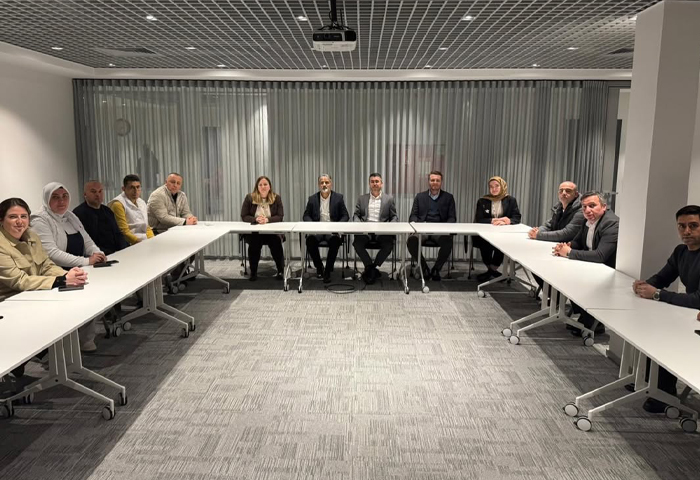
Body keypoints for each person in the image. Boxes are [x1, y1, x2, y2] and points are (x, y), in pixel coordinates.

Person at [0, 197, 87, 377]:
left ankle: (47, 356)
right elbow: (19, 281)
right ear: (1, 220)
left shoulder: (31, 236)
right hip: (10, 302)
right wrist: (61, 281)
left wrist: (68, 274)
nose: (19, 221)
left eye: (24, 216)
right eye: (13, 217)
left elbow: (46, 265)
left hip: (34, 294)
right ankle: (34, 354)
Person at [631, 205, 700, 413]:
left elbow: (698, 300)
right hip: (691, 315)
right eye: (681, 226)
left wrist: (658, 294)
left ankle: (664, 393)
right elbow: (662, 277)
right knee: (653, 328)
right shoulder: (681, 252)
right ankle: (653, 386)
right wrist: (644, 285)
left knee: (666, 335)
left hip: (696, 317)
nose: (686, 231)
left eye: (693, 226)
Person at [30, 182, 105, 352]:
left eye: (65, 196)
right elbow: (52, 253)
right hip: (55, 273)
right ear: (46, 199)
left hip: (79, 268)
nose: (61, 201)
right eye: (55, 197)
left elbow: (87, 240)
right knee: (88, 297)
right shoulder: (39, 220)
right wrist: (86, 261)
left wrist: (97, 253)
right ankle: (68, 344)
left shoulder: (70, 216)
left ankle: (85, 337)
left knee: (101, 293)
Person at [553, 191, 619, 336]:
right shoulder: (587, 220)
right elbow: (578, 242)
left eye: (592, 206)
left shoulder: (611, 224)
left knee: (575, 280)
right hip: (591, 266)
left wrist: (569, 253)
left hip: (607, 271)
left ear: (604, 207)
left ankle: (593, 321)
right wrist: (567, 246)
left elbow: (600, 256)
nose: (587, 210)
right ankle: (585, 316)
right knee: (562, 275)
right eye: (584, 207)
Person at [527, 181, 584, 290]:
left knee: (538, 263)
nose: (564, 193)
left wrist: (538, 235)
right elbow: (549, 224)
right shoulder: (559, 206)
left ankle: (553, 295)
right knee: (533, 262)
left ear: (576, 194)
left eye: (568, 191)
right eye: (561, 191)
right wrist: (537, 231)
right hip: (558, 246)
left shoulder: (581, 210)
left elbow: (567, 233)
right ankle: (550, 294)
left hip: (572, 248)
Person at [407, 171, 456, 281]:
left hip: (440, 231)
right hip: (422, 230)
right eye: (432, 180)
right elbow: (413, 215)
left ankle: (436, 269)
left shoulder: (448, 197)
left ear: (441, 182)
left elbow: (452, 217)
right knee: (411, 241)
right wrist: (415, 226)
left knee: (448, 242)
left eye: (437, 180)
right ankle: (424, 267)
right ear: (429, 181)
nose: (435, 182)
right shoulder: (420, 197)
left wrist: (446, 228)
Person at [302, 174, 349, 283]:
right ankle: (319, 267)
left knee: (335, 241)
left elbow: (345, 215)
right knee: (310, 241)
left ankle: (328, 270)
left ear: (331, 184)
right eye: (322, 182)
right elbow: (306, 216)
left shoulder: (338, 198)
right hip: (317, 231)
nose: (324, 185)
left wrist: (337, 226)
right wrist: (313, 225)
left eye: (326, 182)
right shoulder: (312, 199)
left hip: (332, 231)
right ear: (318, 185)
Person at [473, 176, 522, 282]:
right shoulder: (483, 200)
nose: (494, 189)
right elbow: (479, 218)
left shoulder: (510, 200)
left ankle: (492, 270)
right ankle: (492, 271)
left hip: (503, 233)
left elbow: (517, 217)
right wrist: (492, 220)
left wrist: (508, 220)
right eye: (491, 187)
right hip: (486, 232)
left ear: (502, 186)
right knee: (484, 244)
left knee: (502, 245)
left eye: (496, 186)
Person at [353, 173, 398, 284]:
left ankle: (373, 267)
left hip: (382, 231)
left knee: (388, 245)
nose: (375, 184)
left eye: (377, 181)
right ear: (369, 184)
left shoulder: (389, 199)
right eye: (372, 182)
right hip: (366, 230)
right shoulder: (362, 198)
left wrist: (390, 226)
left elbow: (394, 216)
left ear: (381, 183)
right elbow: (356, 215)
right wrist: (359, 224)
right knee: (357, 243)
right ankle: (370, 266)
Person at [241, 176, 285, 281]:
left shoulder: (276, 198)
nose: (263, 187)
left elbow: (280, 216)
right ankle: (253, 272)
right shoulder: (249, 198)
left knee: (276, 243)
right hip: (255, 232)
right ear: (257, 187)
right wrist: (255, 219)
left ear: (269, 186)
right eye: (260, 185)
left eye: (265, 184)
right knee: (254, 244)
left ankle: (280, 270)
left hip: (272, 232)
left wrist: (267, 220)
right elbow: (244, 215)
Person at [73, 180, 129, 255]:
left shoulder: (107, 211)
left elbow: (118, 234)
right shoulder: (78, 214)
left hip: (116, 252)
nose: (97, 195)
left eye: (100, 191)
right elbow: (86, 243)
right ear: (85, 194)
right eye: (93, 192)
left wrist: (123, 249)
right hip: (97, 254)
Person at [110, 174, 155, 245]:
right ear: (123, 189)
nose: (136, 191)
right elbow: (124, 231)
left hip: (144, 240)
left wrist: (153, 240)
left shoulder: (141, 202)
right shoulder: (118, 204)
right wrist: (140, 243)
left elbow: (146, 227)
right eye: (132, 187)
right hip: (129, 243)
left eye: (138, 187)